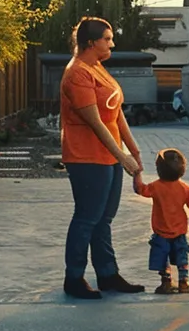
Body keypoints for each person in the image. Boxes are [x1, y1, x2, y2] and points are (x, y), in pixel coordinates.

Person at [59, 17, 148, 300]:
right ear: (90, 43)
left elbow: (116, 112)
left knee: (103, 219)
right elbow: (96, 122)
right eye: (107, 39)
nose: (112, 43)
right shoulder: (77, 75)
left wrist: (133, 151)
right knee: (87, 218)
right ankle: (74, 278)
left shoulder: (98, 68)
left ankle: (108, 274)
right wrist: (121, 156)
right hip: (86, 157)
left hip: (108, 157)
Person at [134, 149, 189, 294]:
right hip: (179, 232)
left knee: (163, 258)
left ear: (159, 169)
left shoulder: (155, 186)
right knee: (182, 256)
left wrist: (137, 174)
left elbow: (140, 190)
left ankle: (166, 282)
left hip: (161, 232)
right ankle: (184, 282)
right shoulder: (184, 188)